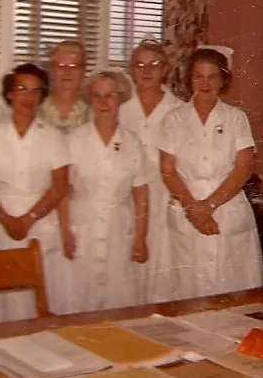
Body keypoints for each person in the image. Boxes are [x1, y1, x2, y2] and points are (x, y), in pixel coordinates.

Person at [158, 47, 263, 299]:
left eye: (212, 77)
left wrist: (209, 205)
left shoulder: (236, 118)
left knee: (231, 295)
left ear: (223, 80)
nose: (205, 83)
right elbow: (168, 171)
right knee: (187, 293)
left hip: (226, 211)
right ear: (189, 79)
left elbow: (243, 167)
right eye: (198, 76)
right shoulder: (174, 119)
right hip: (188, 210)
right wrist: (195, 209)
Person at [0, 63, 70, 318]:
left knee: (38, 302)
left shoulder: (53, 136)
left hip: (40, 226)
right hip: (0, 226)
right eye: (21, 89)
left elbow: (60, 185)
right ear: (9, 93)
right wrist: (6, 219)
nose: (28, 97)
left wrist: (27, 219)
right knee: (2, 304)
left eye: (35, 91)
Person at [62, 68, 149, 313]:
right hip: (83, 224)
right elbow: (64, 190)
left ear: (120, 99)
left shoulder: (132, 142)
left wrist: (141, 238)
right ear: (89, 99)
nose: (103, 102)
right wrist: (65, 231)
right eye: (97, 96)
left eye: (110, 96)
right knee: (81, 294)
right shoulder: (75, 139)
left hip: (119, 227)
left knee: (118, 295)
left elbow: (141, 193)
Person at [119, 37, 182, 303]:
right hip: (127, 200)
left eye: (154, 65)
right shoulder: (120, 108)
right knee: (126, 273)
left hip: (165, 199)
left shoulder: (178, 110)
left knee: (161, 274)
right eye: (139, 65)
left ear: (165, 69)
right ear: (131, 70)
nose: (146, 71)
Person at [41, 41, 89, 134]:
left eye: (73, 66)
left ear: (83, 71)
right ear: (52, 71)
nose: (67, 72)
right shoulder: (36, 111)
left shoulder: (94, 114)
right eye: (61, 66)